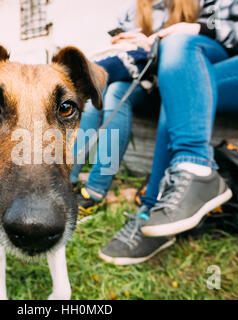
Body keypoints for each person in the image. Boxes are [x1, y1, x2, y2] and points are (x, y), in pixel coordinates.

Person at [100, 0, 238, 265]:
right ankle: (188, 175)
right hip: (228, 55)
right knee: (179, 72)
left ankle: (152, 206)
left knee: (182, 82)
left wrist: (205, 29)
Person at [72, 0, 204, 223]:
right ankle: (66, 177)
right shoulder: (134, 9)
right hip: (140, 81)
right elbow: (120, 44)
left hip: (172, 84)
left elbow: (205, 41)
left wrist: (156, 41)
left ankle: (94, 192)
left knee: (115, 94)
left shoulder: (198, 6)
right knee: (103, 94)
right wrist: (126, 39)